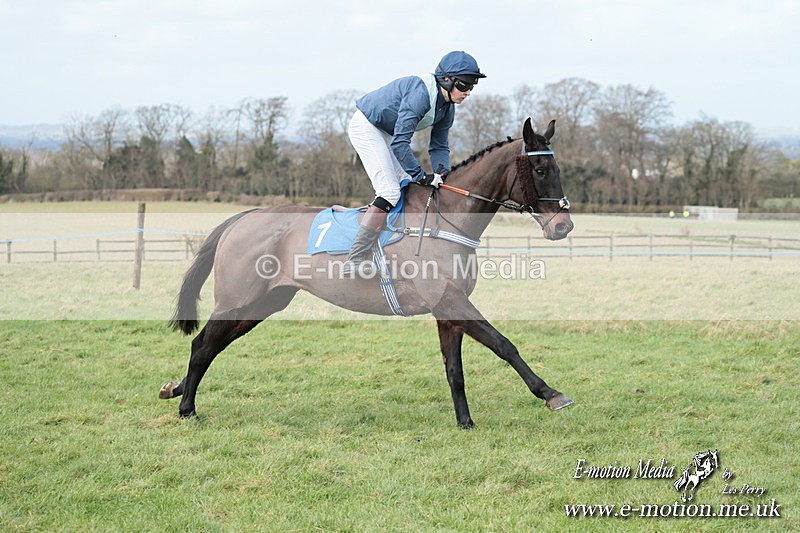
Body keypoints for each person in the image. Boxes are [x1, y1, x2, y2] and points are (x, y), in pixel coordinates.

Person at [343, 50, 486, 276]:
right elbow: (401, 143)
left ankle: (393, 248)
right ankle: (355, 259)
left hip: (388, 132)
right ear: (446, 80)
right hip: (367, 126)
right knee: (390, 191)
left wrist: (444, 176)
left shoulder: (447, 108)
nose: (468, 92)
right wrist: (421, 175)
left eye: (472, 86)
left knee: (409, 189)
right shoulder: (421, 94)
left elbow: (438, 146)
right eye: (464, 85)